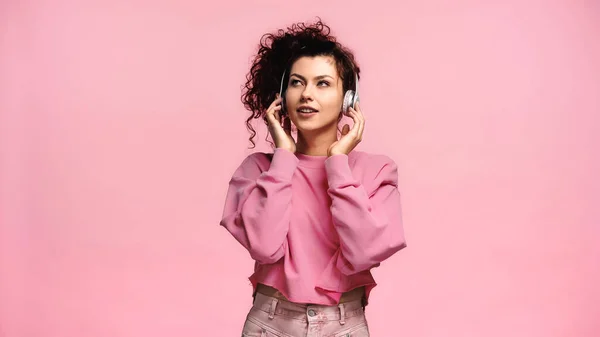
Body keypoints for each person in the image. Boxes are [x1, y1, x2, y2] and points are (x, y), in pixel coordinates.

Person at [219, 18, 406, 337]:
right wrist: (283, 159)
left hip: (344, 325)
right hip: (270, 324)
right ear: (281, 96)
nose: (307, 94)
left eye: (322, 83)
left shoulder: (377, 171)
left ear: (348, 98)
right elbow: (265, 247)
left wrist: (337, 163)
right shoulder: (258, 170)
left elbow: (362, 253)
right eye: (296, 82)